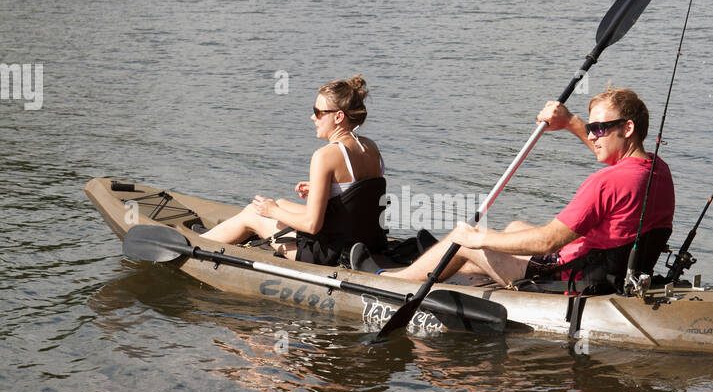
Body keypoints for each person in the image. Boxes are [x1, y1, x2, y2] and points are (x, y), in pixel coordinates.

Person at [380, 87, 674, 289]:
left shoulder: (606, 182)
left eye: (598, 128)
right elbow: (613, 157)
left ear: (628, 128)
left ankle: (394, 281)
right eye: (590, 129)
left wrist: (480, 238)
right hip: (609, 270)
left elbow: (549, 241)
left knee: (463, 238)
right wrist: (572, 123)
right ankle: (448, 270)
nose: (592, 136)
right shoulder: (657, 169)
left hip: (569, 278)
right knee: (513, 227)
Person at [201, 75, 386, 265]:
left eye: (318, 112)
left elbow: (312, 225)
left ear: (338, 117)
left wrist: (271, 211)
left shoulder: (324, 156)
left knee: (253, 213)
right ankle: (219, 235)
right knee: (281, 202)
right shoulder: (370, 147)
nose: (313, 117)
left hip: (328, 254)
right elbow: (358, 196)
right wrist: (322, 188)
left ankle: (197, 245)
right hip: (364, 242)